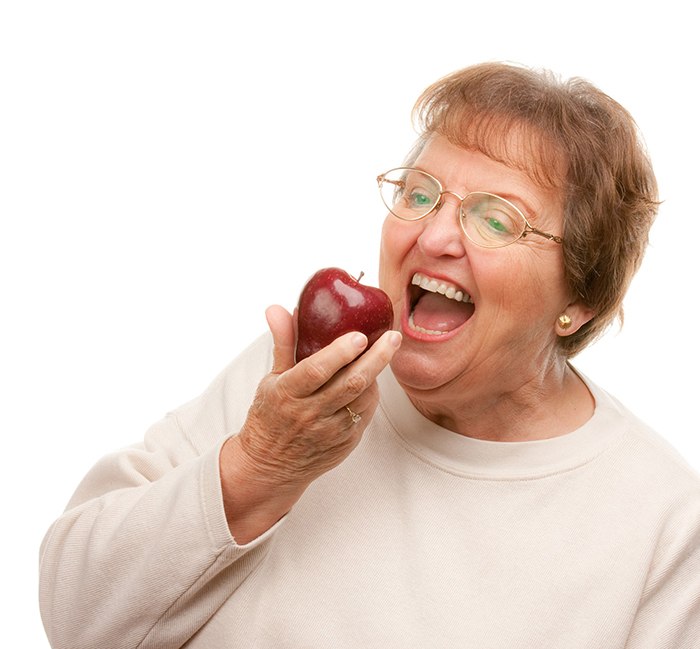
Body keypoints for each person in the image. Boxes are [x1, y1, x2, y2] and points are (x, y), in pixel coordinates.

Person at [39, 62, 699, 648]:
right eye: (419, 194)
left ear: (580, 299)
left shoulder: (662, 522)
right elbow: (77, 616)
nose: (434, 234)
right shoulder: (298, 381)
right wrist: (257, 468)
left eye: (495, 219)